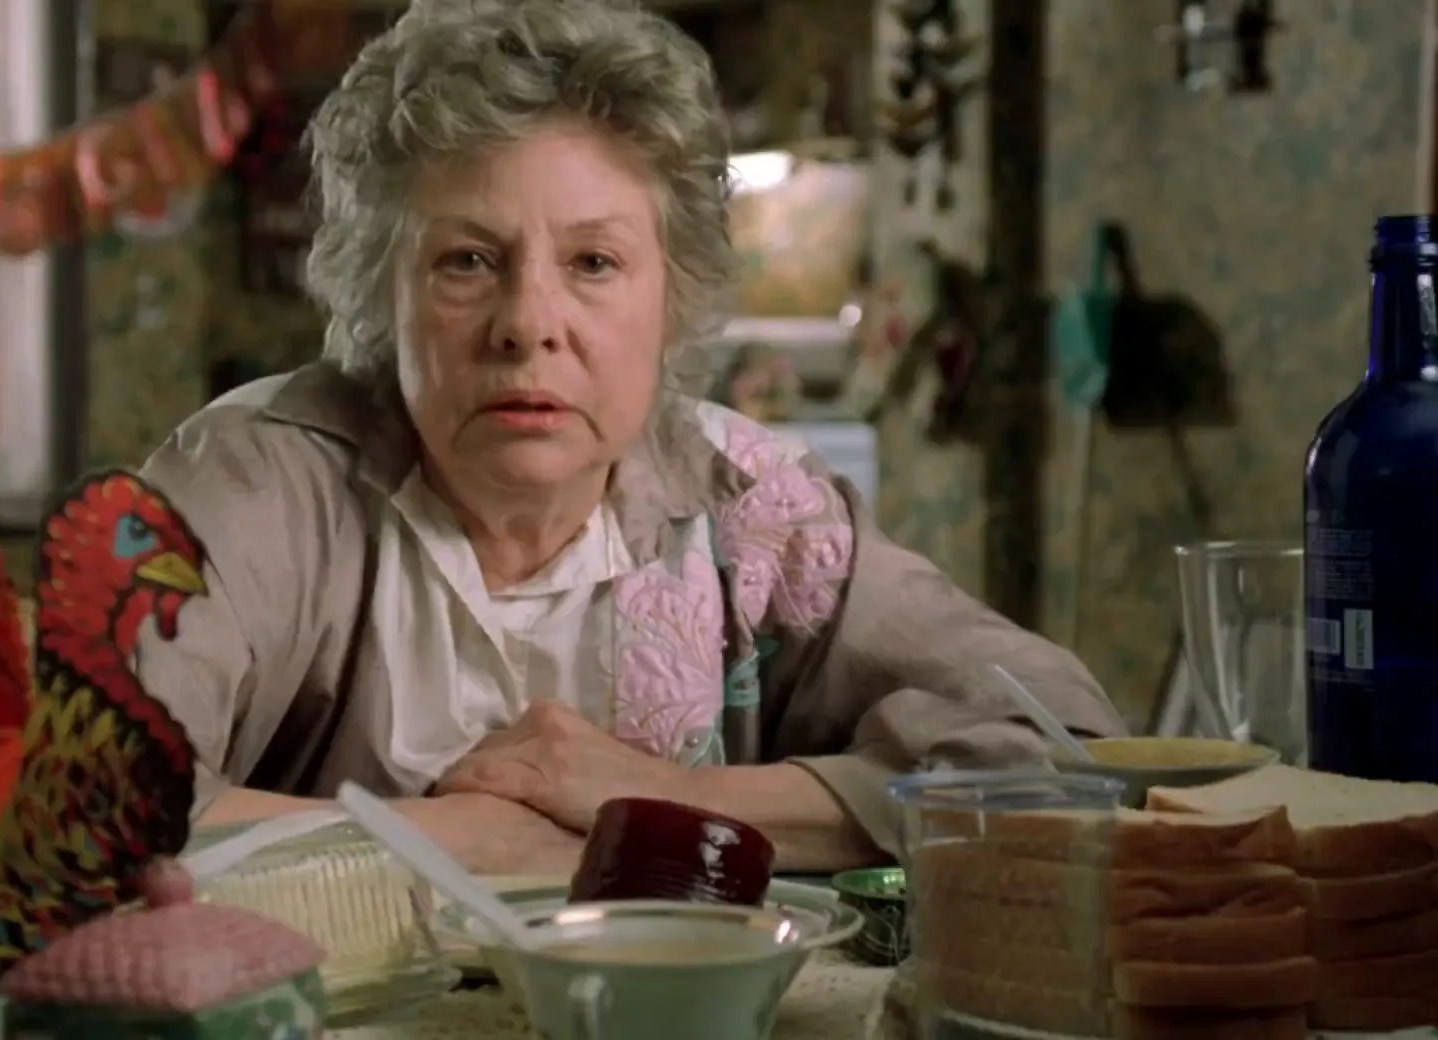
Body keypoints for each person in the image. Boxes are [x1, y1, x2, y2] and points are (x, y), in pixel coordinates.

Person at [134, 0, 1124, 875]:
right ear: (380, 296)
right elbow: (84, 801)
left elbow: (1069, 746)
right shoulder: (254, 487)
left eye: (594, 262)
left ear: (673, 295)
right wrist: (462, 841)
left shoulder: (755, 510)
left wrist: (664, 799)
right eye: (467, 260)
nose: (530, 322)